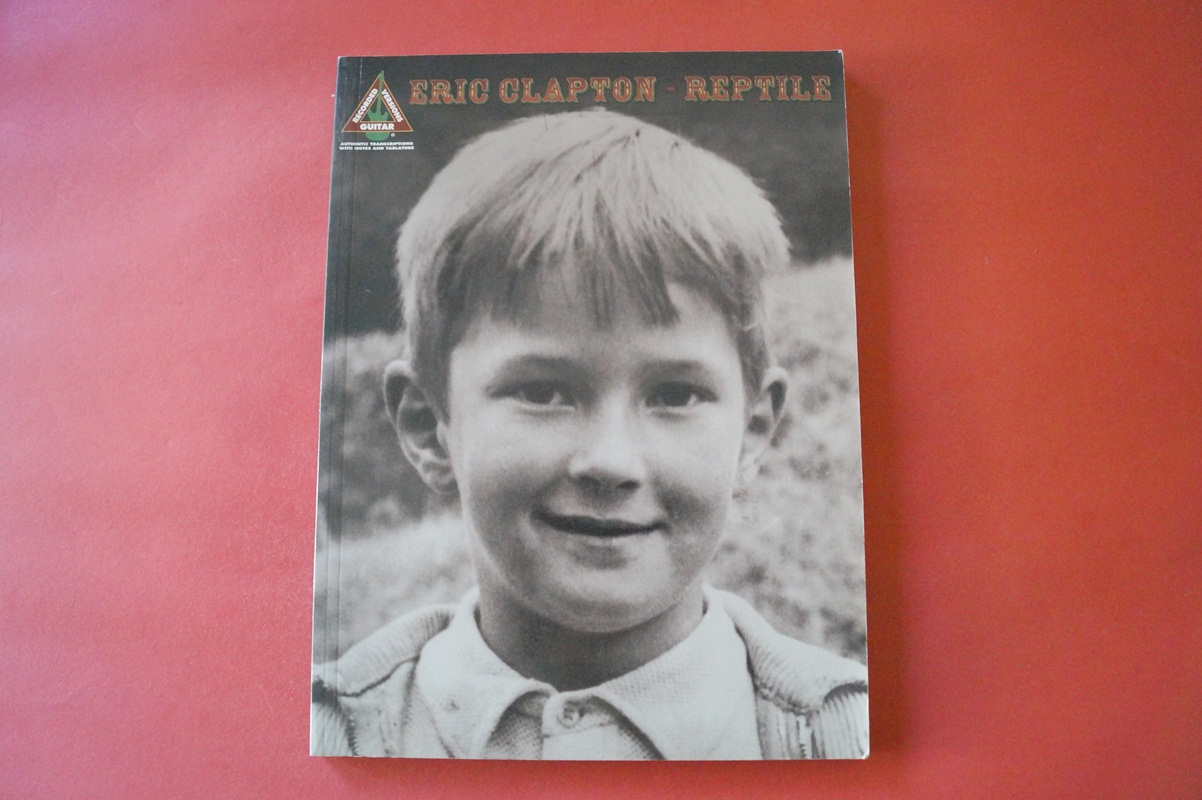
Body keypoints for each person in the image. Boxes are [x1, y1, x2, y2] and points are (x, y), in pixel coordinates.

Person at [311, 109, 868, 759]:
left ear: (753, 429)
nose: (611, 461)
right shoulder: (335, 737)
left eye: (674, 395)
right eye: (543, 392)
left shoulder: (844, 739)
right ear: (426, 425)